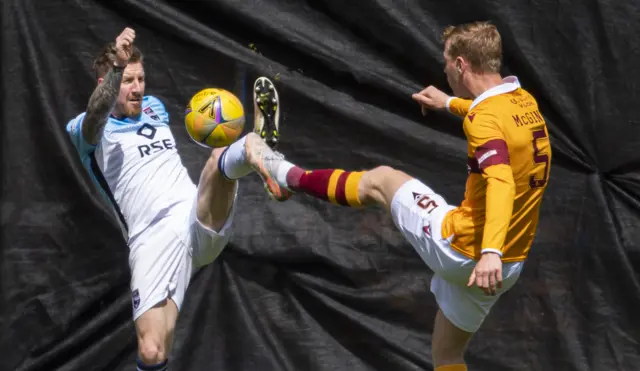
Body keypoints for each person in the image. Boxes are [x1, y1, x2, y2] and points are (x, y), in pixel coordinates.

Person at [242, 21, 553, 370]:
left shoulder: (484, 122)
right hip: (508, 265)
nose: (444, 68)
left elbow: (501, 182)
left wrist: (490, 252)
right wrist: (450, 102)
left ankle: (283, 175)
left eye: (447, 62)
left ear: (462, 65)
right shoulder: (523, 102)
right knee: (447, 355)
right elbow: (491, 116)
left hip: (468, 251)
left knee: (382, 181)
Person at [65, 27, 288, 371]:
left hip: (193, 215)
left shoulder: (154, 108)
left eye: (140, 79)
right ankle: (253, 152)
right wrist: (115, 70)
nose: (138, 88)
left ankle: (266, 156)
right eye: (128, 81)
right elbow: (97, 113)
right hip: (151, 239)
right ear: (106, 83)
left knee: (220, 160)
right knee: (153, 350)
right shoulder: (87, 131)